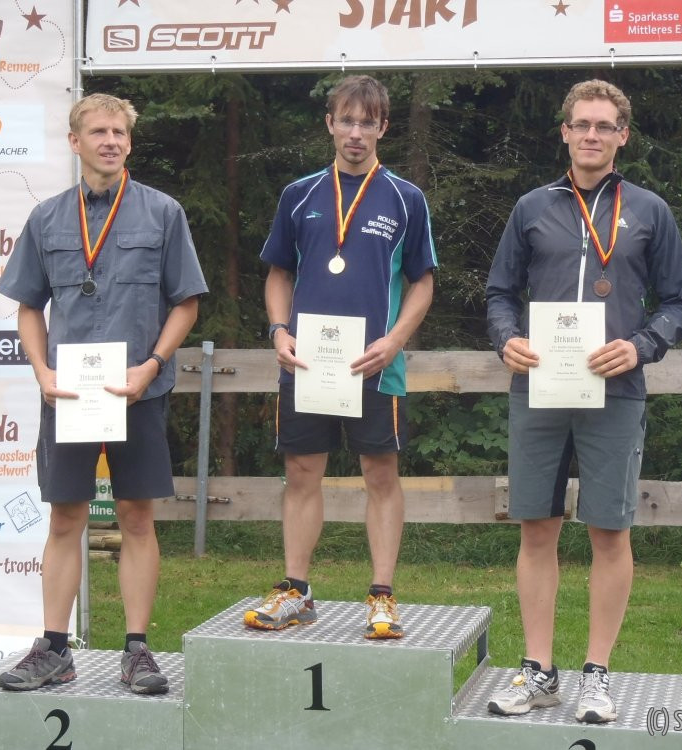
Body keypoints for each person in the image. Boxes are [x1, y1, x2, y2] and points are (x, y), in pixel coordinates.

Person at [485, 79, 682, 723]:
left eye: (605, 126)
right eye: (582, 124)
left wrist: (642, 345)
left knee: (610, 530)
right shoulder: (532, 207)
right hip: (540, 387)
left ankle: (596, 676)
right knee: (536, 528)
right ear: (565, 132)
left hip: (616, 389)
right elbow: (498, 293)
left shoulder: (651, 211)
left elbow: (679, 303)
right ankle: (539, 672)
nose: (592, 135)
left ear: (622, 136)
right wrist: (507, 338)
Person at [0, 93, 208, 694]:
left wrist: (152, 365)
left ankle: (137, 651)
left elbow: (187, 303)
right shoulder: (47, 218)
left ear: (130, 142)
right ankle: (54, 649)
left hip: (138, 391)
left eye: (119, 132)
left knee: (137, 516)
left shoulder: (163, 212)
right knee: (66, 516)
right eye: (98, 132)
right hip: (67, 396)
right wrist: (42, 371)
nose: (110, 141)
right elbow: (28, 306)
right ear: (75, 141)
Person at [245, 75, 437, 639]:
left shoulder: (406, 198)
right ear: (330, 124)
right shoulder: (299, 194)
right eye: (346, 121)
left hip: (375, 365)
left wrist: (395, 340)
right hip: (307, 363)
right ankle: (296, 590)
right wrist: (279, 330)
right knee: (302, 472)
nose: (356, 133)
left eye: (367, 122)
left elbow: (422, 282)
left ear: (383, 127)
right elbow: (279, 273)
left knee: (380, 473)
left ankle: (382, 595)